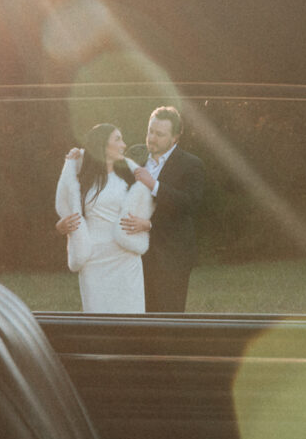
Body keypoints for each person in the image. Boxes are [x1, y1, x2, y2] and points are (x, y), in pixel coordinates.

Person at [55, 124, 153, 312]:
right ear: (102, 145)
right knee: (98, 320)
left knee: (131, 318)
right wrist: (61, 226)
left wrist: (146, 224)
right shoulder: (81, 181)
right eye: (118, 139)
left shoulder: (131, 176)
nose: (124, 145)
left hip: (126, 259)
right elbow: (65, 210)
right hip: (93, 261)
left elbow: (150, 211)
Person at [128, 106, 204, 312]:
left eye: (159, 134)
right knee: (138, 317)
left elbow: (189, 204)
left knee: (168, 317)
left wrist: (154, 185)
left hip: (171, 256)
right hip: (134, 255)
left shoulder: (191, 164)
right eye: (150, 131)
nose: (152, 138)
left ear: (175, 138)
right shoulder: (136, 158)